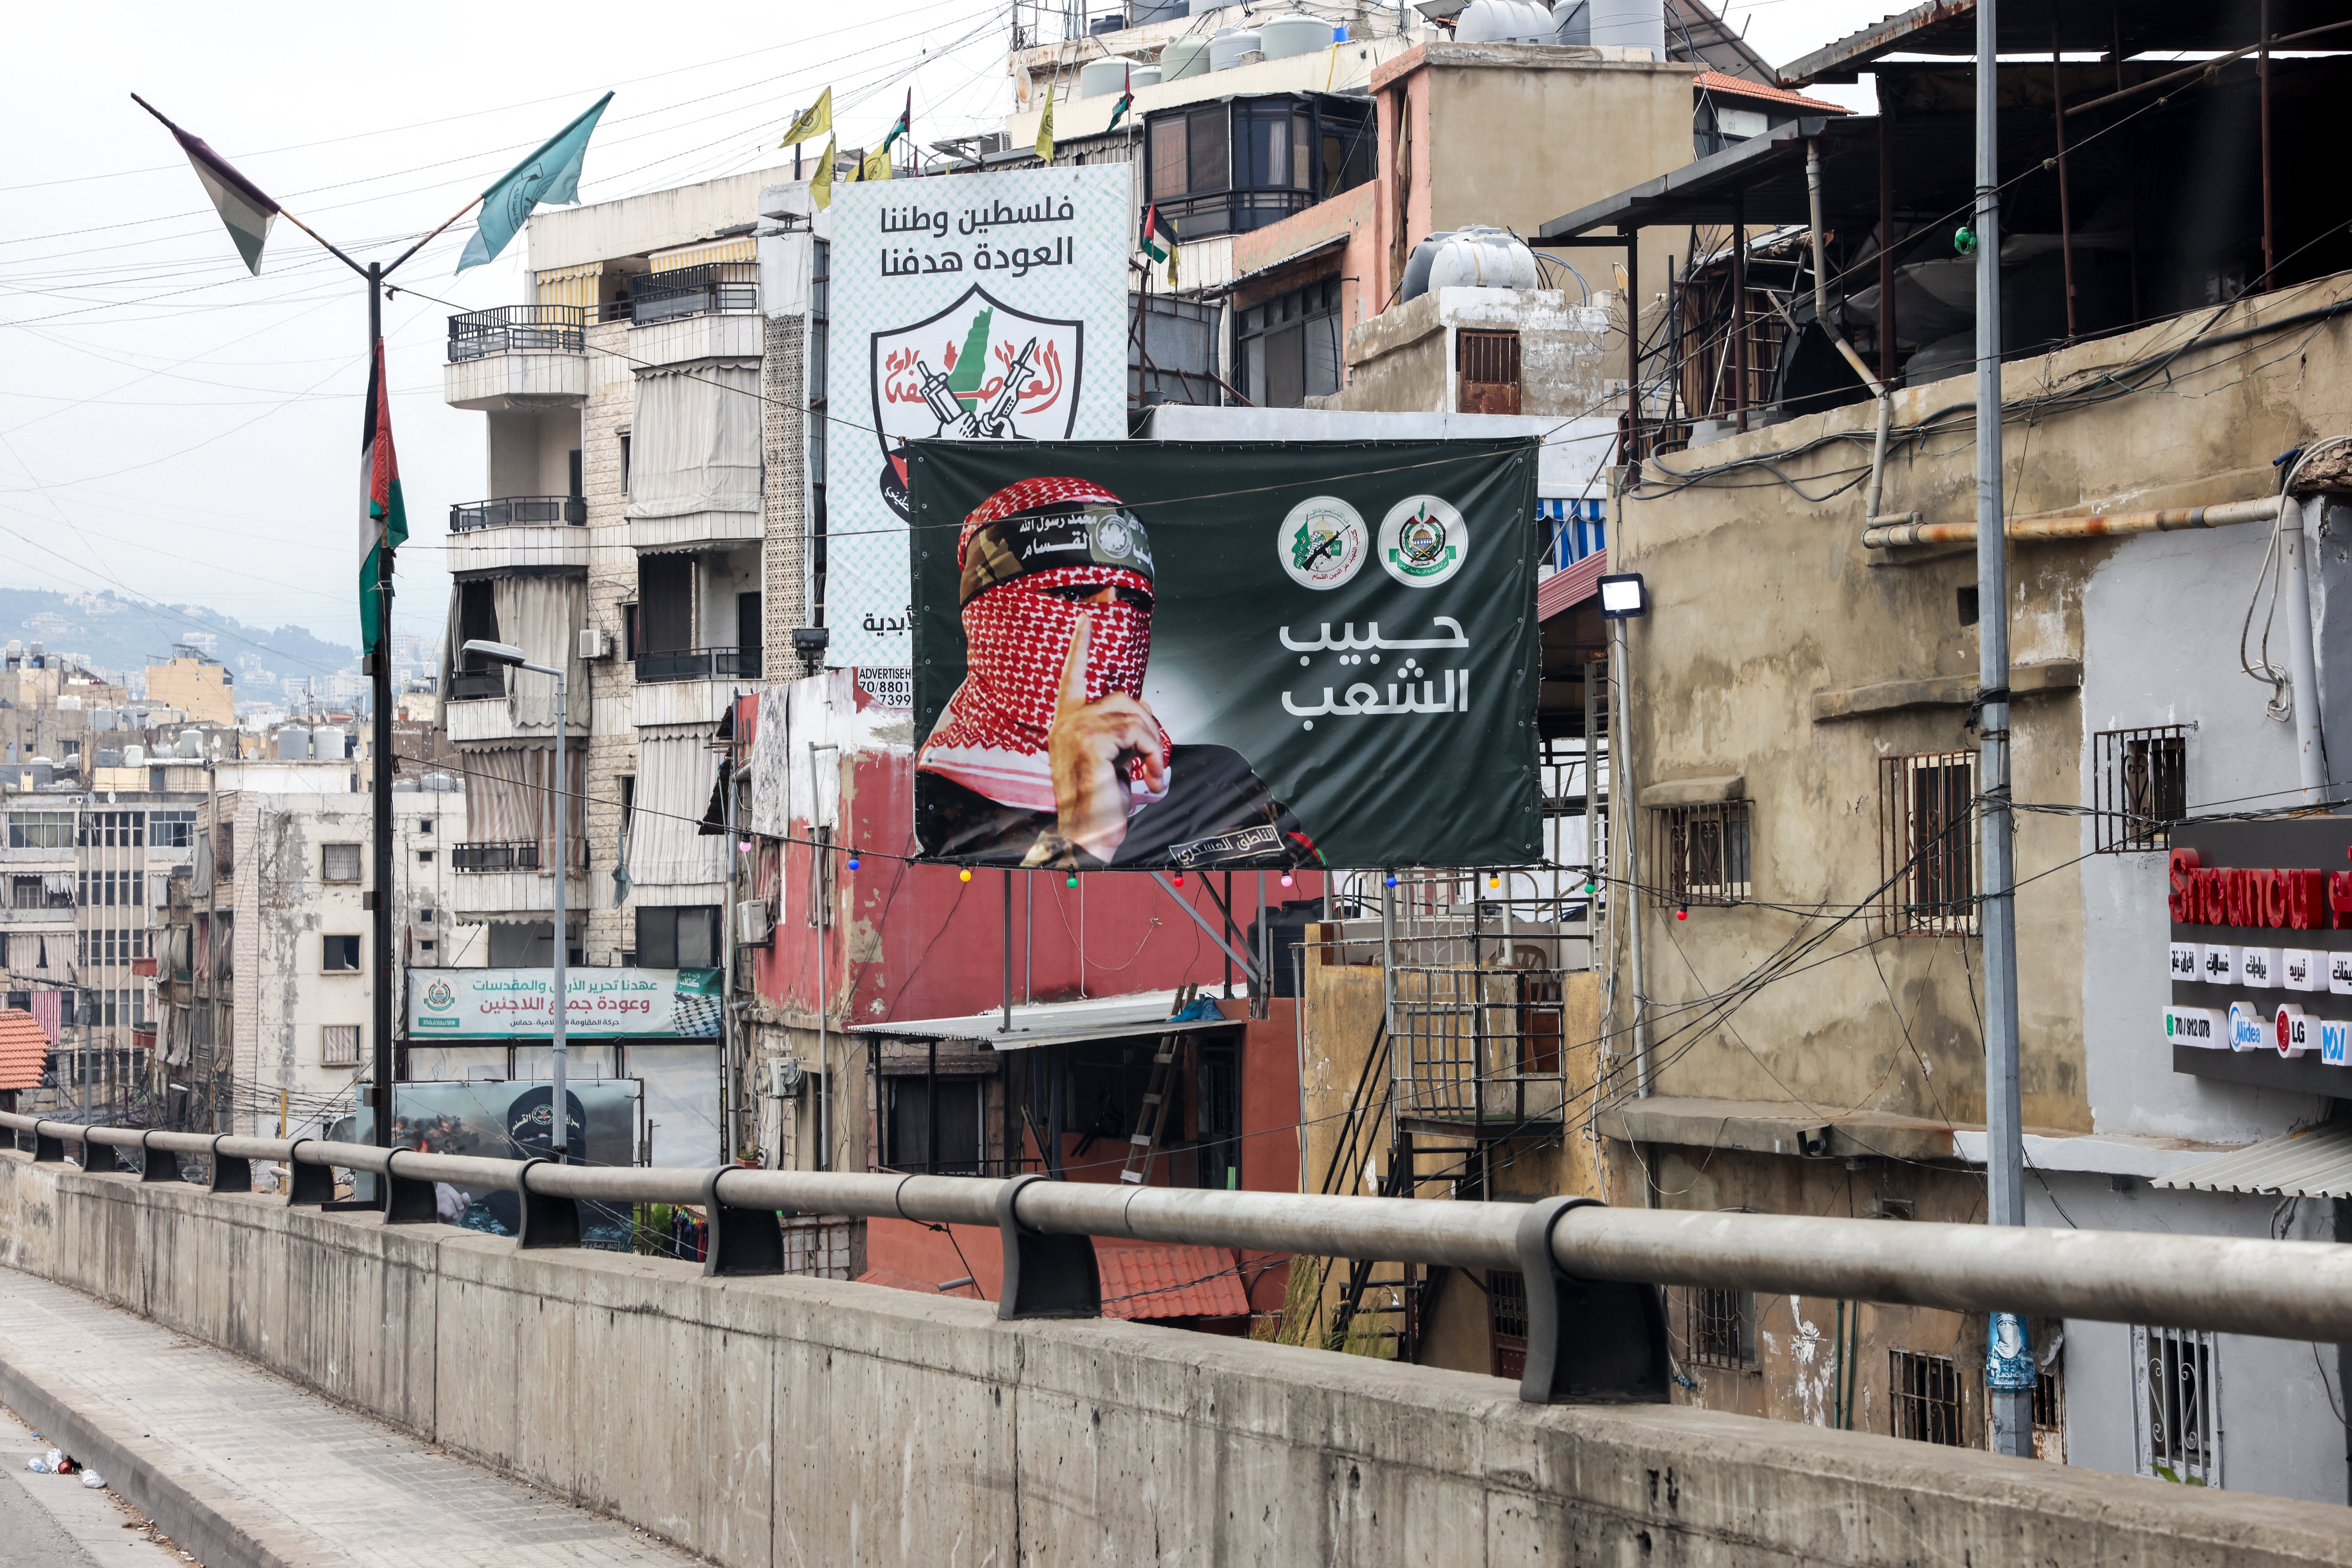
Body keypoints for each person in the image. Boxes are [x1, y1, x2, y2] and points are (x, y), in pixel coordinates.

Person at [915, 475, 1321, 871]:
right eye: (1073, 595)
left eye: (1133, 600)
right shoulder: (939, 804)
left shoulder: (1214, 780)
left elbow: (1314, 894)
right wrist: (1087, 835)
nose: (1116, 622)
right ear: (992, 619)